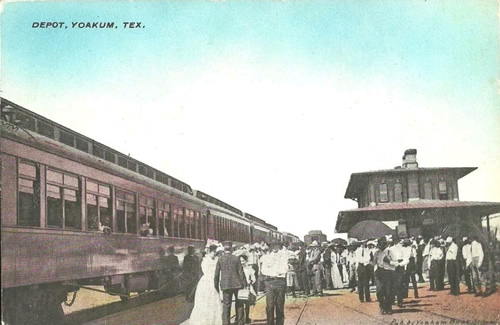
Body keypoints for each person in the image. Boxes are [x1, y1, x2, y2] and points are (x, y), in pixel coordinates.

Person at [181, 245, 222, 325]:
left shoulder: (215, 260)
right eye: (213, 252)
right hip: (207, 282)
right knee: (205, 302)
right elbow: (206, 271)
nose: (214, 254)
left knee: (213, 301)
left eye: (215, 252)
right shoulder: (205, 260)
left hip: (213, 281)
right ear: (209, 251)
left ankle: (213, 320)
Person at [214, 242, 247, 325]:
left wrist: (216, 286)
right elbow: (241, 272)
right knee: (239, 304)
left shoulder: (220, 259)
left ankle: (226, 323)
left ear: (224, 249)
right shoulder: (236, 258)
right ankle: (240, 323)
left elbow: (217, 274)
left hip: (225, 285)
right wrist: (244, 284)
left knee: (226, 305)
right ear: (231, 248)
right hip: (237, 285)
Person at [261, 241, 289, 325]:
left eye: (276, 245)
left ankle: (280, 323)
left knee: (279, 305)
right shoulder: (266, 257)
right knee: (269, 305)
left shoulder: (283, 256)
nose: (274, 247)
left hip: (280, 282)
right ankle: (270, 323)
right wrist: (274, 273)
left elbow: (285, 269)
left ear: (279, 246)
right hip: (270, 282)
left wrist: (274, 272)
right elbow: (263, 270)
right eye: (272, 245)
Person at [374, 236, 397, 315]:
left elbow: (396, 263)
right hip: (379, 272)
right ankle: (382, 305)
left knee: (389, 291)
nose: (381, 245)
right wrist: (370, 259)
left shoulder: (390, 252)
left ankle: (388, 307)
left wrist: (389, 262)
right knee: (379, 291)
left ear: (386, 244)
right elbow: (373, 264)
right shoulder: (376, 253)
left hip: (388, 272)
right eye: (380, 243)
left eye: (383, 243)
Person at [240, 254, 257, 324]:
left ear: (246, 261)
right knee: (240, 304)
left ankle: (247, 317)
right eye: (240, 261)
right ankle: (240, 318)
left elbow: (253, 278)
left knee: (247, 304)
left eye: (243, 261)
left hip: (248, 287)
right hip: (240, 288)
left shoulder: (249, 269)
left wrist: (251, 281)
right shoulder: (238, 268)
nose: (242, 262)